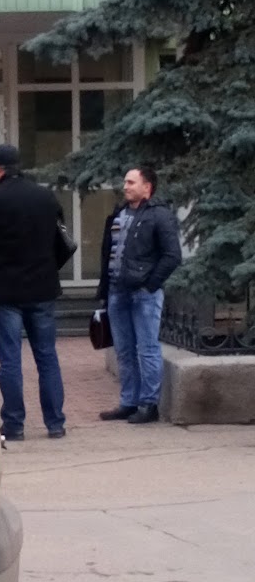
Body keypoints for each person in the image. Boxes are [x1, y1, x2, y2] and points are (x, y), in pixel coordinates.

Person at [0, 144, 66, 441]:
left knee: (10, 360)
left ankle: (14, 424)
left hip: (6, 291)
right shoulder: (45, 197)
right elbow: (59, 236)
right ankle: (55, 423)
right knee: (47, 356)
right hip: (42, 287)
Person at [98, 166, 182, 424]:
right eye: (125, 182)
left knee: (147, 350)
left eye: (131, 182)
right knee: (124, 351)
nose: (125, 186)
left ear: (147, 187)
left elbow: (172, 255)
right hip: (117, 291)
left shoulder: (160, 215)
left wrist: (151, 285)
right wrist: (104, 289)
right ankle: (128, 402)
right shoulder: (119, 213)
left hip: (144, 294)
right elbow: (107, 253)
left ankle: (148, 404)